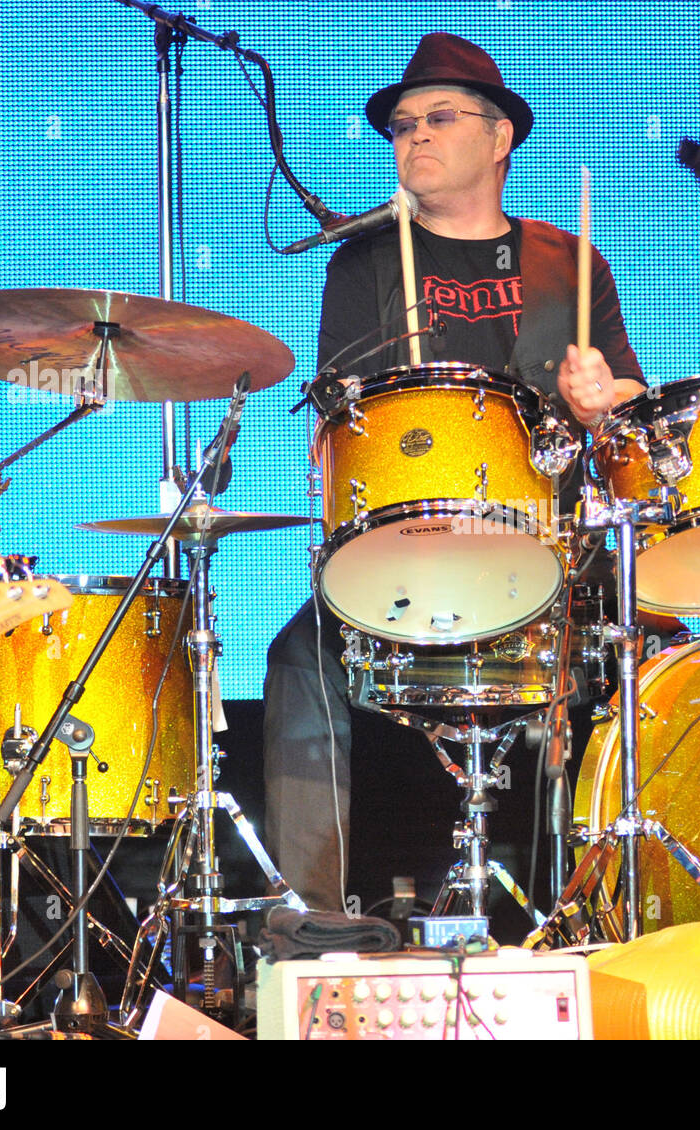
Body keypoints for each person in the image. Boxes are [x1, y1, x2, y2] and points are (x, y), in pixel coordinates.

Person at [264, 32, 645, 911]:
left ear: (500, 136)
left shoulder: (567, 262)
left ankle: (621, 908)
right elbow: (342, 417)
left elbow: (625, 389)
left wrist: (604, 395)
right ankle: (312, 914)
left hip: (548, 556)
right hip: (407, 548)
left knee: (649, 652)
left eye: (438, 118)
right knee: (299, 659)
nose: (414, 137)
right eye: (402, 125)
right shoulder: (363, 260)